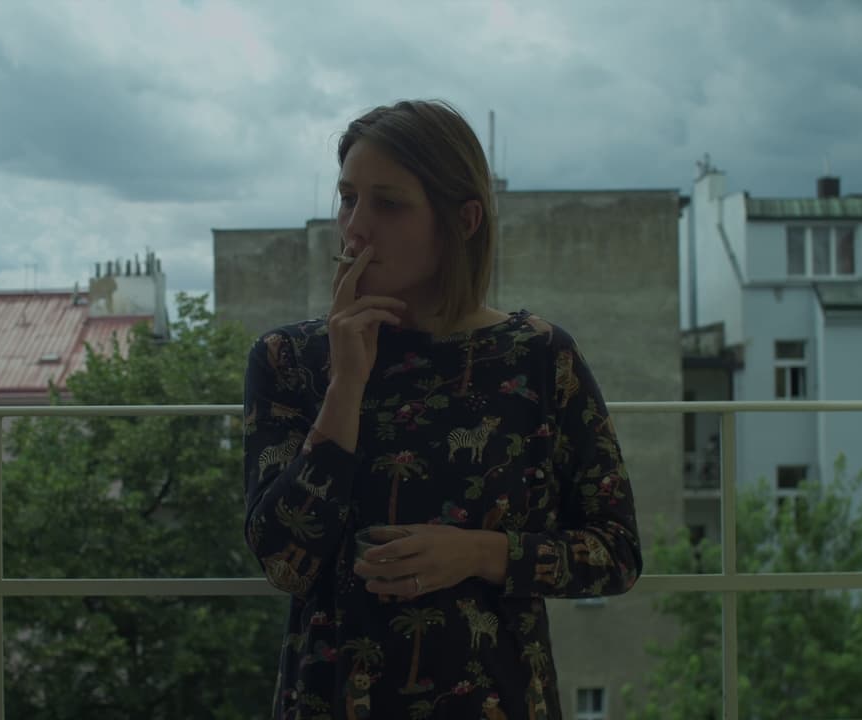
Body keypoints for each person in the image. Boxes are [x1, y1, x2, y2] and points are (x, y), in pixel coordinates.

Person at [242, 99, 642, 720]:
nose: (355, 228)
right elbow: (283, 561)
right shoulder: (289, 359)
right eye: (347, 198)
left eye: (388, 204)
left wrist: (481, 553)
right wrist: (345, 386)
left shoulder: (538, 357)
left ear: (464, 220)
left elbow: (616, 553)